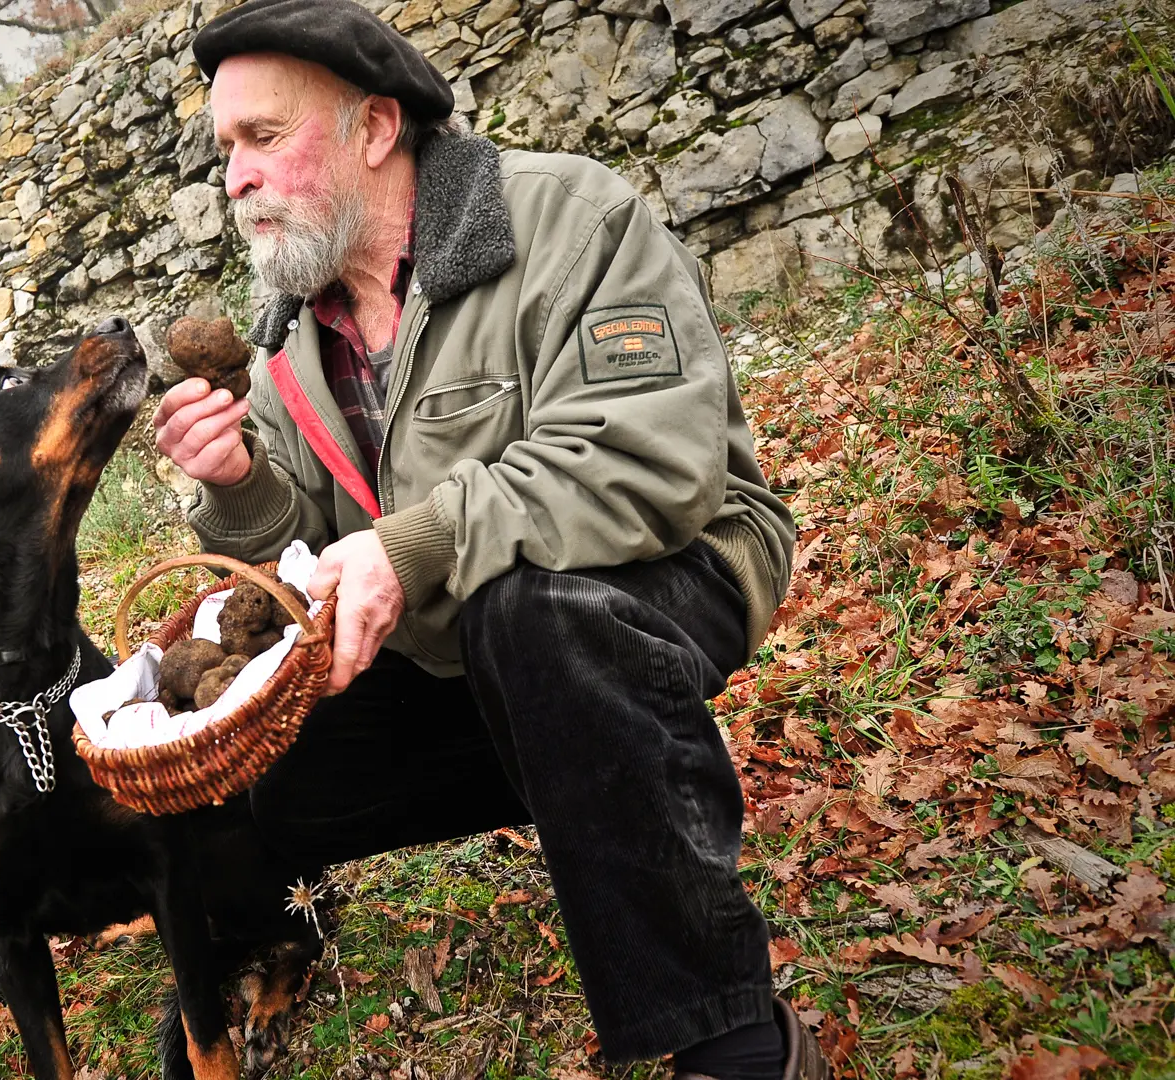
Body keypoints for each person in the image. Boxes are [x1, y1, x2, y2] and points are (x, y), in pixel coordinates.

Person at [155, 3, 818, 1078]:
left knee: (537, 618)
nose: (233, 176)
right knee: (277, 778)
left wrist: (415, 543)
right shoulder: (283, 341)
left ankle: (733, 1034)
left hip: (670, 572)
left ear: (375, 129)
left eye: (262, 137)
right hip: (457, 643)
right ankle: (594, 764)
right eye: (226, 149)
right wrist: (238, 490)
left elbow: (651, 459)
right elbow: (306, 558)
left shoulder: (568, 219)